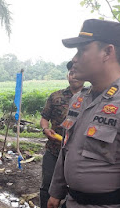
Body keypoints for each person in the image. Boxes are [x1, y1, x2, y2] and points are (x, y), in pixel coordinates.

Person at [47, 19, 120, 208]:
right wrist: (56, 191)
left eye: (82, 50)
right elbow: (66, 148)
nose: (75, 59)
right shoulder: (79, 99)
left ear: (107, 52)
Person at [39, 61, 85, 208]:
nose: (74, 76)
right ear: (68, 76)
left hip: (78, 154)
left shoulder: (91, 97)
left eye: (77, 73)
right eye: (71, 73)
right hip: (54, 150)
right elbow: (44, 118)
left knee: (76, 190)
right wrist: (46, 130)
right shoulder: (56, 96)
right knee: (47, 186)